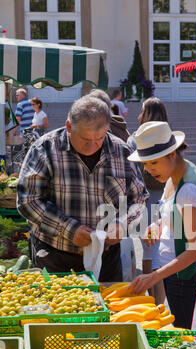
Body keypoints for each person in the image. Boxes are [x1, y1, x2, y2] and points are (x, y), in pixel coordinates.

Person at [17, 95, 148, 282]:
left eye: (100, 138)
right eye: (85, 139)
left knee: (106, 308)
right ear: (69, 127)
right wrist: (68, 229)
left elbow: (139, 199)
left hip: (107, 259)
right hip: (56, 257)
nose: (92, 146)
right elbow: (28, 200)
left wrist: (123, 224)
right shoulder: (45, 149)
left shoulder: (122, 151)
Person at [128, 121, 196, 329]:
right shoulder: (177, 173)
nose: (147, 169)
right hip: (176, 273)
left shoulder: (188, 190)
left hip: (184, 278)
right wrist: (157, 225)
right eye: (145, 163)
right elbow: (168, 213)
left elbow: (195, 249)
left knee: (185, 332)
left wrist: (154, 276)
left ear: (172, 154)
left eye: (153, 162)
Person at [127, 97, 169, 304]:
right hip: (166, 197)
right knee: (160, 249)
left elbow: (131, 174)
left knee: (149, 250)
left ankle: (153, 302)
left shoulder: (135, 139)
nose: (138, 115)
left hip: (143, 199)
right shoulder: (168, 136)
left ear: (147, 114)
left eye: (141, 111)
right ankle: (160, 303)